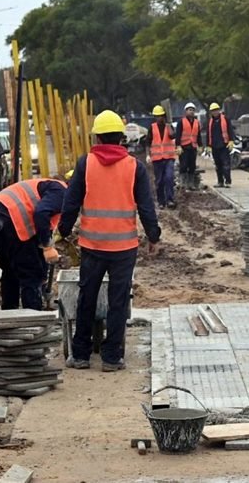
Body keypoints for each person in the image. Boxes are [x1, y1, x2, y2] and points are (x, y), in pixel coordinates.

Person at [59, 110, 161, 372]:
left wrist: (64, 228)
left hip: (92, 246)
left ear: (98, 137)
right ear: (120, 138)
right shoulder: (134, 167)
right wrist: (153, 236)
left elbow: (71, 201)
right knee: (118, 302)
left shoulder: (85, 164)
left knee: (87, 298)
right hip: (124, 248)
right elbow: (146, 207)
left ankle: (81, 354)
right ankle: (112, 357)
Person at [0, 178, 68, 310]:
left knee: (10, 269)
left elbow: (42, 225)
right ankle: (33, 316)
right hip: (12, 220)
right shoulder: (62, 192)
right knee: (31, 272)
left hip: (0, 217)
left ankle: (10, 313)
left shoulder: (48, 186)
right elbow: (41, 214)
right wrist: (48, 247)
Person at [145, 105, 176, 209]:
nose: (159, 118)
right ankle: (161, 201)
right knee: (159, 181)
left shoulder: (169, 126)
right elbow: (147, 142)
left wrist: (168, 124)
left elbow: (172, 136)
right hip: (157, 159)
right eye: (156, 116)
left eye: (160, 116)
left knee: (169, 177)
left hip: (169, 157)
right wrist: (148, 155)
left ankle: (170, 200)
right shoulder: (152, 127)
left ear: (164, 116)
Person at [206, 102, 236, 188]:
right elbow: (209, 134)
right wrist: (208, 145)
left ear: (219, 110)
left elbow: (230, 130)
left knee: (226, 164)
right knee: (218, 165)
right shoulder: (210, 122)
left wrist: (231, 141)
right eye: (213, 111)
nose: (215, 112)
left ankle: (228, 181)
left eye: (216, 110)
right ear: (211, 112)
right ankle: (220, 181)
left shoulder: (225, 119)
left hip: (224, 145)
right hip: (215, 146)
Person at [176, 102, 202, 190]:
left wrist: (200, 146)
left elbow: (198, 135)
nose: (191, 112)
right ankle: (183, 183)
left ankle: (191, 184)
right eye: (189, 110)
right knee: (183, 165)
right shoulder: (181, 122)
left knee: (192, 166)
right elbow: (178, 135)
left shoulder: (196, 122)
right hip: (183, 147)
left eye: (193, 110)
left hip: (193, 147)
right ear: (186, 111)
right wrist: (178, 145)